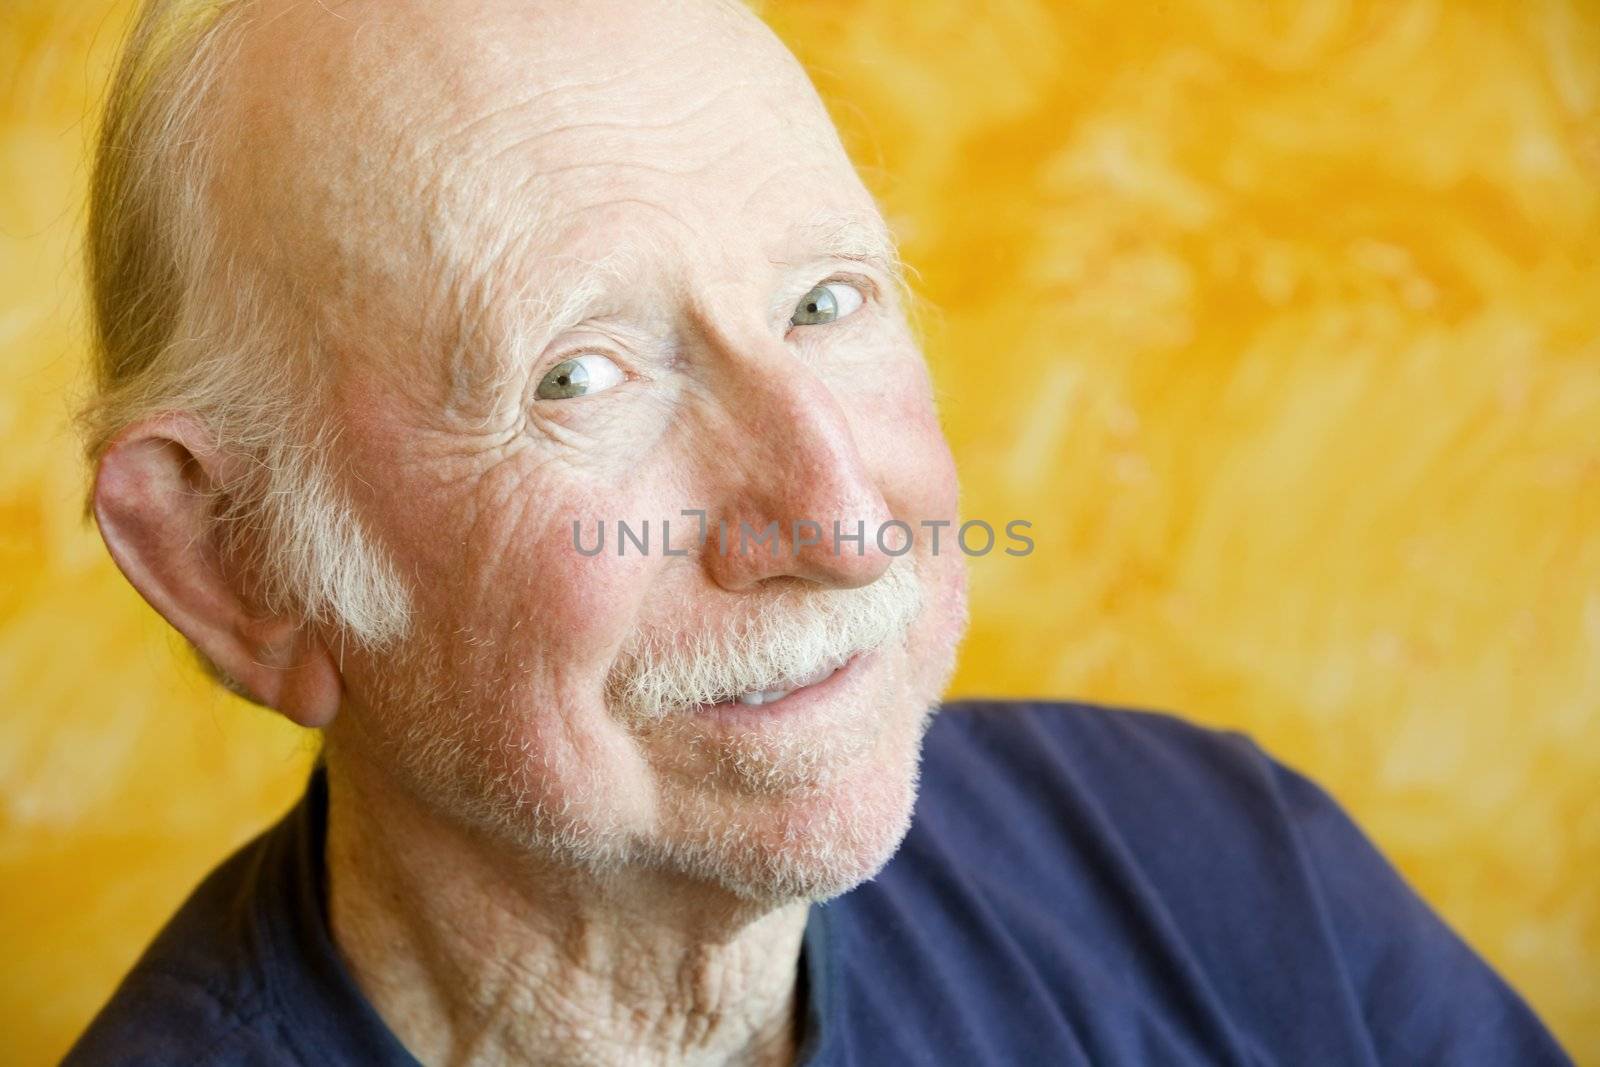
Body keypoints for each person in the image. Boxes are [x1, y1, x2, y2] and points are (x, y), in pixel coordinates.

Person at [64, 0, 1572, 1063]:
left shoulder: (1213, 863)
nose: (848, 522)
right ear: (234, 560)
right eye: (580, 376)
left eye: (827, 301)